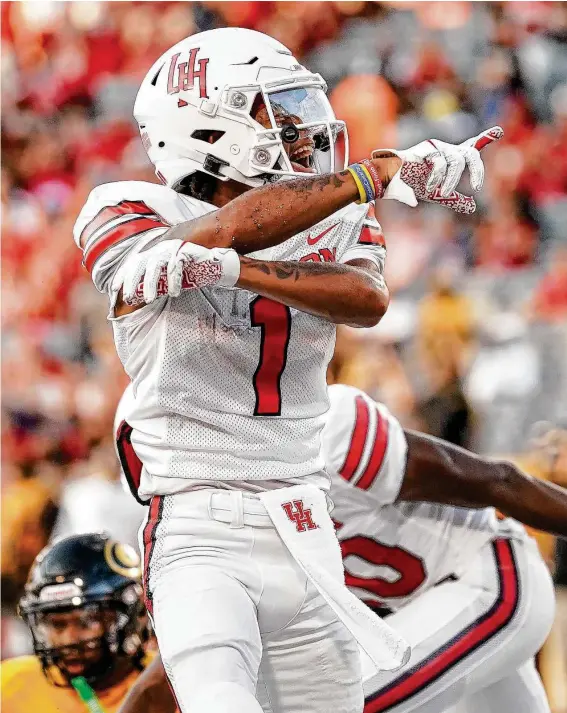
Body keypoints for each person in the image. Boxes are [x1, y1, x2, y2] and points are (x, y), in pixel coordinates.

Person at [73, 26, 501, 713]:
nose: (302, 128)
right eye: (275, 109)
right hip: (199, 525)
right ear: (208, 129)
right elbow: (209, 234)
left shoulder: (334, 206)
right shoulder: (126, 208)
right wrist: (375, 172)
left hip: (305, 523)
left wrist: (239, 269)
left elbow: (365, 299)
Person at [117, 383, 567, 713]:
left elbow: (495, 481)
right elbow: (181, 671)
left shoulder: (325, 434)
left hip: (488, 579)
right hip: (419, 620)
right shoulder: (200, 529)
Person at [0, 533, 154, 713]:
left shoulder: (171, 684)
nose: (68, 640)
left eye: (85, 623)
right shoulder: (11, 685)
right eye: (57, 625)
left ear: (132, 615)